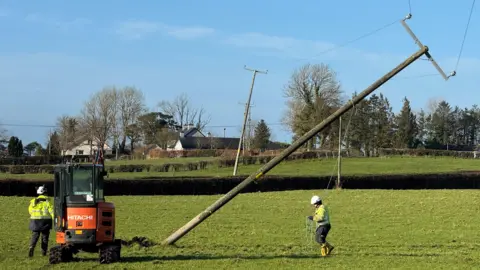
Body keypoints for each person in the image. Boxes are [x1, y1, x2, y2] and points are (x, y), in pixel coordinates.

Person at [28, 185, 54, 257]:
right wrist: (55, 219)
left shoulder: (33, 201)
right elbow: (51, 211)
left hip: (35, 221)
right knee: (45, 237)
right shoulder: (47, 201)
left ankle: (31, 247)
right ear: (45, 192)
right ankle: (43, 252)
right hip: (45, 221)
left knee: (35, 235)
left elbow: (30, 211)